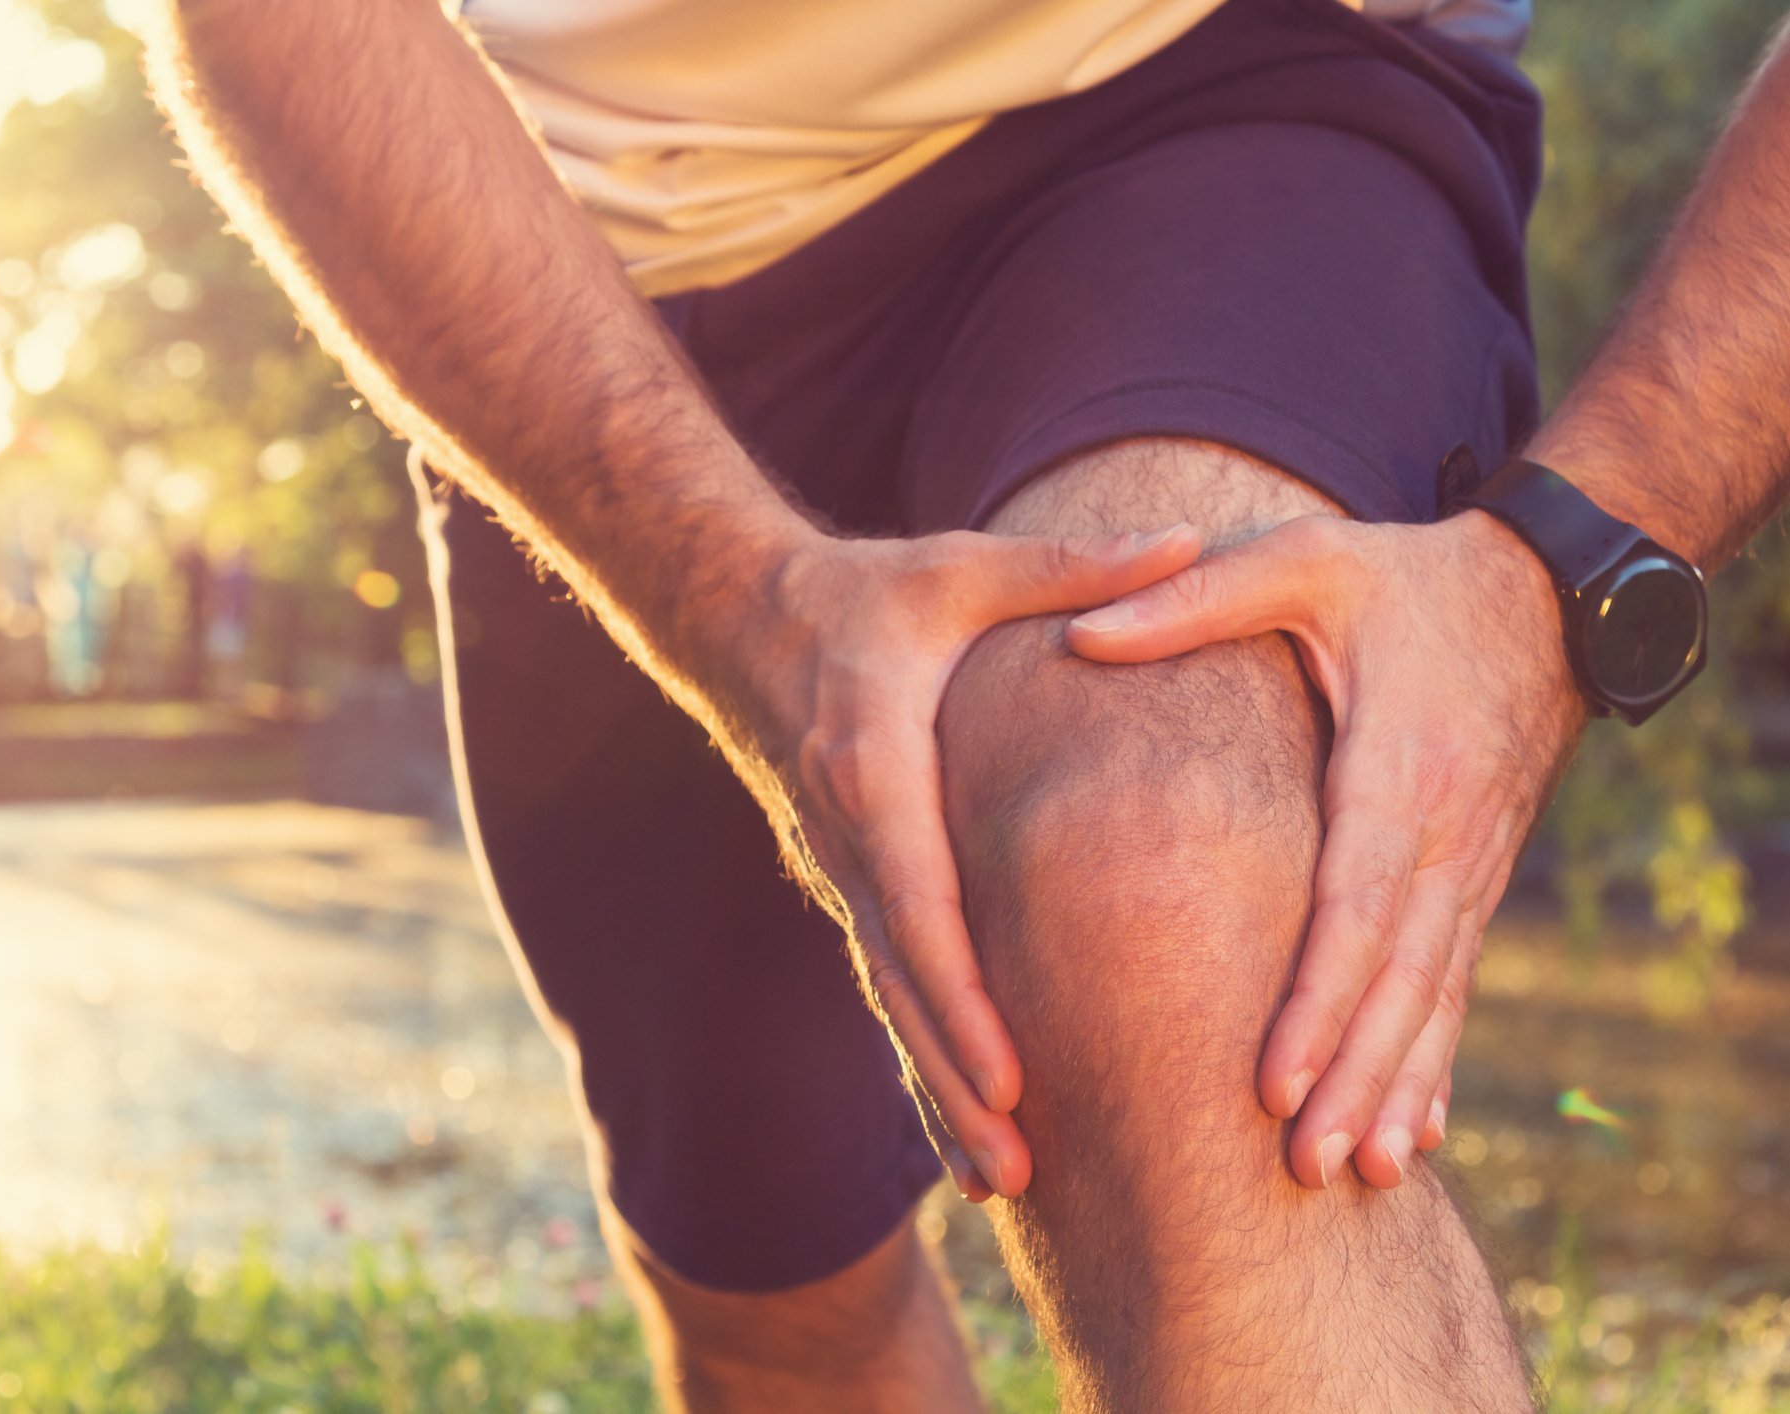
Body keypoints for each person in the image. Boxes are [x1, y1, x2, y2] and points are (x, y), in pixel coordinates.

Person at [146, 0, 1778, 1404]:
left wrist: (1571, 555)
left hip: (1198, 90)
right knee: (775, 1281)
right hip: (576, 248)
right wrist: (729, 601)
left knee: (1161, 875)